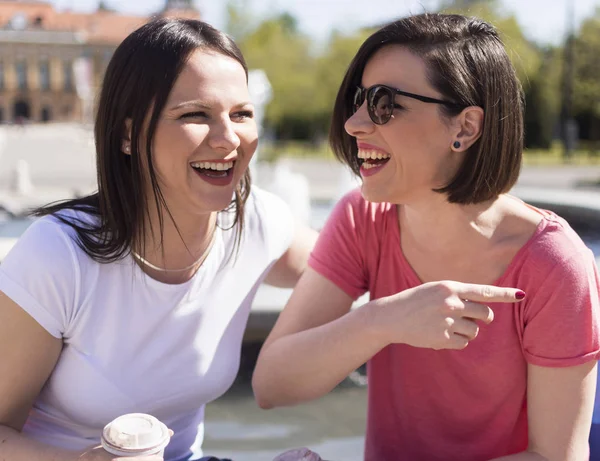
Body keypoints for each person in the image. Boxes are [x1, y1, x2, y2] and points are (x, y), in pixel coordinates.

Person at [252, 13, 600, 461]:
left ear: (465, 127)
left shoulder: (555, 264)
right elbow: (271, 385)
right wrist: (382, 320)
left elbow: (556, 456)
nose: (354, 124)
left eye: (383, 103)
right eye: (359, 100)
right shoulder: (362, 219)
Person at [0, 17, 316, 461]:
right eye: (195, 115)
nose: (229, 138)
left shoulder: (257, 223)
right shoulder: (58, 256)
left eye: (241, 113)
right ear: (129, 135)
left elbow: (349, 261)